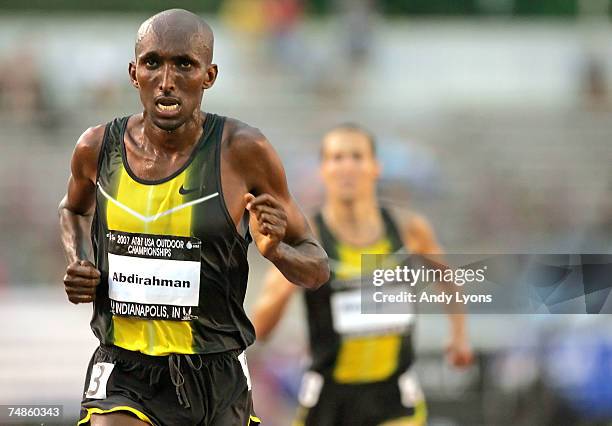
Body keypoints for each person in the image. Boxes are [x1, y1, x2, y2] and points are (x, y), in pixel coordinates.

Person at [58, 9, 329, 426]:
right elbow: (73, 209)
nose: (166, 81)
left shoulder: (243, 151)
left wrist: (276, 253)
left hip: (215, 374)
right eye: (153, 63)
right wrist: (80, 258)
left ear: (209, 75)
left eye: (184, 64)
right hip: (124, 370)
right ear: (134, 73)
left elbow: (316, 269)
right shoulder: (96, 147)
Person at [252, 123, 473, 426]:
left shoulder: (409, 229)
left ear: (375, 167)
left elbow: (446, 275)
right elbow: (261, 328)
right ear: (323, 170)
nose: (347, 166)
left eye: (357, 156)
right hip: (328, 400)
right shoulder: (307, 238)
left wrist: (459, 335)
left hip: (394, 396)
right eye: (337, 157)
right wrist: (280, 260)